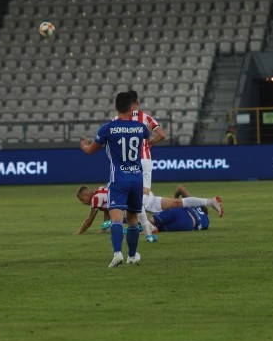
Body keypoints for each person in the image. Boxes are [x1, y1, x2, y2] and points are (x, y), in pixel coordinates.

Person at [80, 91, 150, 268]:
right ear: (132, 107)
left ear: (115, 106)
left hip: (118, 178)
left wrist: (84, 146)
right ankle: (132, 256)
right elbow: (146, 139)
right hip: (136, 178)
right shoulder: (141, 128)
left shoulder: (108, 128)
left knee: (116, 218)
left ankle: (118, 253)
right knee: (133, 218)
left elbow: (90, 151)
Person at [74, 183, 223, 235]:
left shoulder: (94, 199)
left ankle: (149, 229)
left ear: (86, 194)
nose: (83, 202)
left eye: (82, 199)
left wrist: (79, 232)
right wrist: (103, 230)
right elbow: (106, 211)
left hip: (136, 203)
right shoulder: (100, 190)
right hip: (144, 196)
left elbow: (89, 220)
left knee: (133, 221)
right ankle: (210, 201)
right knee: (177, 203)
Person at [121, 90, 167, 242]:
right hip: (145, 160)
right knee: (144, 196)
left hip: (128, 161)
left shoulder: (119, 118)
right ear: (136, 103)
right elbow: (162, 135)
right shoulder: (146, 117)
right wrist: (150, 143)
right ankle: (147, 228)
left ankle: (145, 227)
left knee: (132, 195)